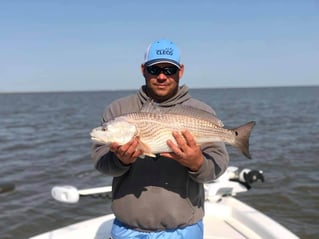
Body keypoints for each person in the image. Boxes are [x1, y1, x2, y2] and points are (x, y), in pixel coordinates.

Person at [92, 39, 229, 239]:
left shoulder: (201, 111)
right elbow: (101, 164)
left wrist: (197, 163)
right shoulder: (118, 110)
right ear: (143, 70)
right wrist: (119, 160)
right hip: (128, 229)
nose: (162, 76)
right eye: (155, 70)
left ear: (180, 71)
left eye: (170, 70)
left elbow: (217, 167)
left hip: (184, 229)